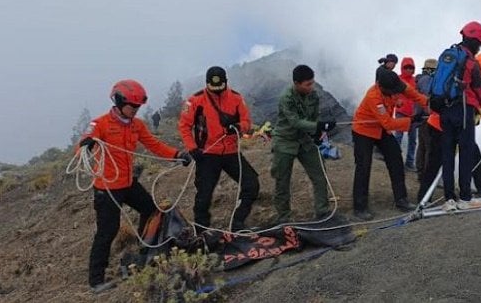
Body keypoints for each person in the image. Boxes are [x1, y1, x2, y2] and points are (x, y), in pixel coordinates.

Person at [78, 80, 191, 293]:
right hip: (107, 188)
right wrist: (86, 145)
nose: (135, 110)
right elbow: (82, 146)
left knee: (150, 210)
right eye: (132, 106)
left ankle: (145, 250)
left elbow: (153, 144)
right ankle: (96, 281)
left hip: (128, 184)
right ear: (119, 102)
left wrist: (177, 155)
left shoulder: (137, 125)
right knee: (107, 231)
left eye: (138, 107)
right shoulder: (99, 124)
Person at [178, 66, 259, 233]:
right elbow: (184, 126)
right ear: (207, 84)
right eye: (212, 88)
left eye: (219, 88)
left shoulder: (236, 98)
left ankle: (238, 222)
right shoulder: (195, 100)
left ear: (226, 83)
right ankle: (201, 231)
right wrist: (192, 148)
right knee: (203, 196)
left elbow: (246, 122)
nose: (216, 91)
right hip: (207, 155)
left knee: (251, 183)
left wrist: (238, 126)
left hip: (230, 152)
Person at [416, 53, 481, 202]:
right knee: (436, 162)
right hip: (443, 127)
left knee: (471, 154)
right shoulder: (470, 84)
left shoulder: (460, 78)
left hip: (442, 124)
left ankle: (425, 195)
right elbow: (478, 106)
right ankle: (425, 196)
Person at [351, 69, 428, 220]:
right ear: (382, 87)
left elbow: (412, 93)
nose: (396, 92)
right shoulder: (373, 96)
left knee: (396, 159)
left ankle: (401, 199)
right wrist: (411, 121)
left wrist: (427, 102)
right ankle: (360, 207)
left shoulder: (396, 83)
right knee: (363, 167)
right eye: (393, 92)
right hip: (364, 131)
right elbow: (388, 123)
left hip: (381, 131)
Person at [270, 65, 335, 223]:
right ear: (297, 83)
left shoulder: (314, 96)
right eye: (307, 84)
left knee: (320, 174)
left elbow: (313, 118)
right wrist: (317, 126)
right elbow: (295, 122)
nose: (311, 87)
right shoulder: (286, 97)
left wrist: (319, 133)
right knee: (282, 180)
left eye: (312, 83)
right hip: (285, 141)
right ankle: (284, 218)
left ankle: (322, 211)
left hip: (305, 141)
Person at [438, 21, 481, 211]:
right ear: (476, 41)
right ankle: (466, 198)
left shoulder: (447, 55)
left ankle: (449, 200)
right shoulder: (471, 62)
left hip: (445, 109)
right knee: (466, 153)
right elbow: (478, 88)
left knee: (448, 155)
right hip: (464, 109)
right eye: (480, 43)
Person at [413, 58, 437, 181]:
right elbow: (428, 98)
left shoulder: (420, 80)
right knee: (429, 147)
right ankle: (427, 174)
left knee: (421, 146)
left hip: (419, 117)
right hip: (427, 117)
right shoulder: (428, 80)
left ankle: (420, 172)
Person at [394, 57, 419, 171]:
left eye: (411, 68)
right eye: (407, 67)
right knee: (398, 137)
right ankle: (395, 160)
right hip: (401, 112)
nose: (409, 70)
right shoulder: (397, 79)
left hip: (413, 115)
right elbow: (392, 94)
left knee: (412, 139)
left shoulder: (416, 81)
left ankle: (409, 162)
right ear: (402, 68)